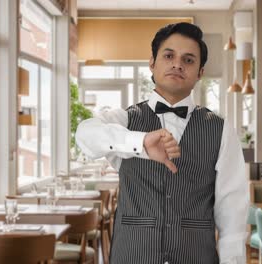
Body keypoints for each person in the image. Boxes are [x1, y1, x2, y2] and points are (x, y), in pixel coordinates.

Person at [76, 22, 248, 264]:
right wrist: (141, 141)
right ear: (152, 63)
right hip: (132, 255)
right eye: (169, 56)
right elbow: (84, 135)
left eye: (188, 60)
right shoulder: (124, 120)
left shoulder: (221, 130)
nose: (177, 64)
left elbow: (233, 215)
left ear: (200, 73)